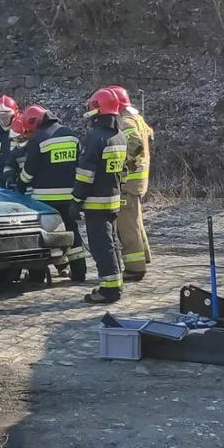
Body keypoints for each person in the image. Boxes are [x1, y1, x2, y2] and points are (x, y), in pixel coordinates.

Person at [15, 104, 86, 282]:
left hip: (45, 200)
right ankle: (79, 273)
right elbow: (82, 163)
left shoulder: (39, 139)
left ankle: (37, 276)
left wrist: (19, 186)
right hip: (70, 196)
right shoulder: (71, 135)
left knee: (42, 237)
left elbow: (29, 171)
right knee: (73, 233)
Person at [75, 88, 130, 303]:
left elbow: (86, 174)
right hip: (113, 199)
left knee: (101, 245)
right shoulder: (120, 136)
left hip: (96, 202)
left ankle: (109, 290)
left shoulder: (95, 137)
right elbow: (122, 171)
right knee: (111, 242)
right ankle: (115, 284)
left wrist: (76, 199)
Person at [109, 85, 154, 282]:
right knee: (136, 221)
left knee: (127, 226)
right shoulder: (137, 118)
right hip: (138, 181)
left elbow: (135, 143)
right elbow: (149, 135)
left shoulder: (125, 121)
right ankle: (143, 257)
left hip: (129, 183)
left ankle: (135, 268)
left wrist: (124, 162)